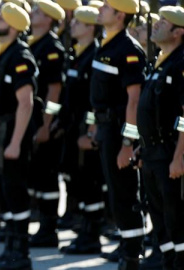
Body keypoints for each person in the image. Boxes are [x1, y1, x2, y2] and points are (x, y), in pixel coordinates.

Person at [90, 0, 147, 268]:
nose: (100, 9)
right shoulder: (107, 43)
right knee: (116, 193)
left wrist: (128, 143)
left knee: (125, 194)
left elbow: (133, 101)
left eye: (106, 6)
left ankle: (132, 255)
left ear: (120, 14)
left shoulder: (127, 48)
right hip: (105, 129)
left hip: (118, 131)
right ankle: (127, 248)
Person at [0, 2, 37, 270]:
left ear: (13, 26)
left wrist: (15, 142)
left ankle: (20, 254)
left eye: (0, 20)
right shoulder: (1, 52)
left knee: (14, 191)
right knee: (4, 191)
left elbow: (25, 103)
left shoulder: (20, 56)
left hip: (10, 134)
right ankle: (10, 250)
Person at [136, 6, 184, 270]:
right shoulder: (161, 60)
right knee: (161, 217)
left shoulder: (180, 64)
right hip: (152, 153)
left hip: (169, 153)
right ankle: (168, 263)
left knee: (175, 218)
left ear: (178, 32)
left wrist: (179, 158)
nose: (156, 24)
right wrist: (138, 147)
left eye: (163, 22)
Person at [58, 6, 105, 255]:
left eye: (78, 23)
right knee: (78, 181)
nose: (72, 25)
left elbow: (94, 100)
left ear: (90, 28)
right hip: (73, 128)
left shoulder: (95, 55)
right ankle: (84, 230)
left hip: (86, 131)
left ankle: (92, 234)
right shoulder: (78, 53)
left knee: (90, 183)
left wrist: (90, 131)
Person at [27, 0, 66, 248]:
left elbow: (55, 90)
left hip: (44, 123)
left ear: (50, 19)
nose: (32, 13)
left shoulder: (52, 47)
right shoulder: (33, 42)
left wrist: (46, 123)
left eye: (38, 11)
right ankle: (42, 225)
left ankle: (49, 228)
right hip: (33, 120)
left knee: (47, 177)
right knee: (37, 176)